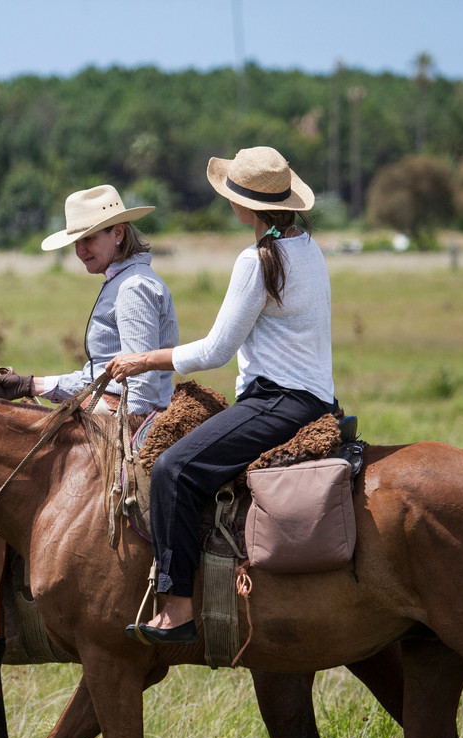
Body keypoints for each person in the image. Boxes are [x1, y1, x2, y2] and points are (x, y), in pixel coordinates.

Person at [0, 183, 179, 669]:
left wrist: (110, 424)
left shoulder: (135, 288)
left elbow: (137, 378)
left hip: (121, 421)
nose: (81, 251)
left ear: (118, 233)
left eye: (89, 240)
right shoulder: (122, 281)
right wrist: (32, 383)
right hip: (106, 410)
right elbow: (105, 370)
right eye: (76, 242)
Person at [106, 146, 335, 644]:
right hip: (315, 400)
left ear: (242, 207)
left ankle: (178, 609)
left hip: (277, 402)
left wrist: (141, 360)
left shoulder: (257, 260)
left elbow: (214, 351)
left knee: (173, 470)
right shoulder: (307, 246)